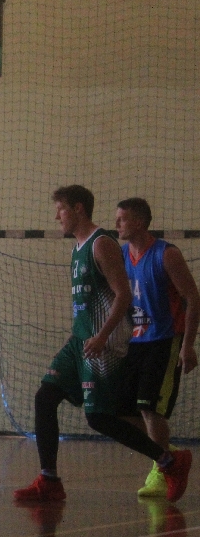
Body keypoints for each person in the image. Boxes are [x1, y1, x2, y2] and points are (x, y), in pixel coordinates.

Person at [13, 186, 191, 503]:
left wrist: (103, 335)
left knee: (100, 418)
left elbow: (123, 295)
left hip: (103, 344)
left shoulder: (102, 244)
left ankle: (168, 461)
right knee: (45, 397)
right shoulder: (77, 248)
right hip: (80, 340)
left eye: (61, 209)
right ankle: (49, 479)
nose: (56, 216)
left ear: (78, 209)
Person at [113, 197, 199, 499]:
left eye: (122, 218)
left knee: (150, 408)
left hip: (164, 339)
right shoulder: (121, 255)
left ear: (139, 222)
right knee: (118, 413)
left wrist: (188, 345)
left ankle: (161, 471)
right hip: (134, 341)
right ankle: (169, 453)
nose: (117, 224)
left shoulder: (166, 254)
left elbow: (192, 298)